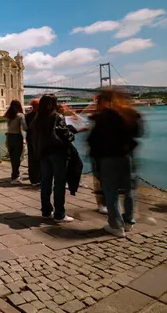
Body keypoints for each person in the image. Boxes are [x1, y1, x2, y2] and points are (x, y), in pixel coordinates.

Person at [87, 89, 143, 237]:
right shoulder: (128, 115)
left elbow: (94, 140)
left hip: (107, 157)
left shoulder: (104, 117)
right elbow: (138, 133)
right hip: (126, 156)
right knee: (128, 189)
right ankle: (129, 221)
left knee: (110, 191)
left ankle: (116, 226)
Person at [30, 94, 75, 223]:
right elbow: (65, 135)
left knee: (45, 182)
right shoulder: (57, 116)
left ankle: (46, 211)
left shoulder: (37, 118)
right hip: (57, 153)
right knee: (59, 183)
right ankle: (59, 213)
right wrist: (72, 134)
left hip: (43, 153)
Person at [5, 100, 27, 184]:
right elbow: (25, 128)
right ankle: (15, 177)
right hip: (17, 137)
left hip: (9, 137)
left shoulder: (8, 115)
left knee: (12, 158)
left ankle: (14, 175)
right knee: (17, 158)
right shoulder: (20, 115)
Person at [25, 99, 41, 186]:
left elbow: (26, 128)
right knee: (39, 159)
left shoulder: (27, 116)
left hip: (30, 139)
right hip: (38, 140)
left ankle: (33, 179)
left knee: (31, 159)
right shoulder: (42, 116)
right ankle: (39, 178)